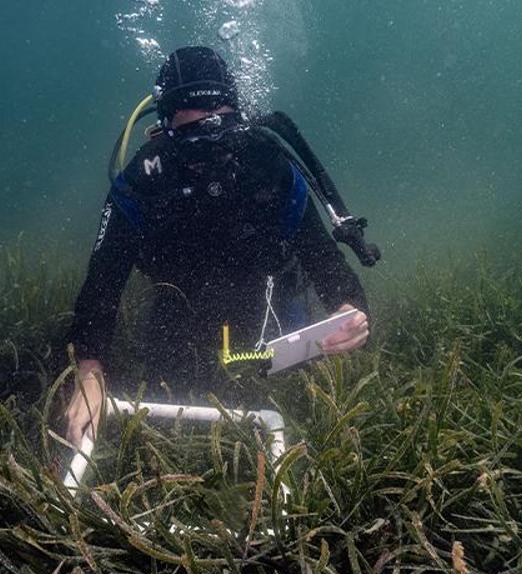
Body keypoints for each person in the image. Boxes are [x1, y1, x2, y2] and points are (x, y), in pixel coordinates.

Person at [65, 46, 370, 447]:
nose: (208, 150)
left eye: (218, 129)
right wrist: (89, 371)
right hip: (181, 297)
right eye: (191, 136)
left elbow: (322, 257)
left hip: (266, 290)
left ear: (237, 118)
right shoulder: (143, 180)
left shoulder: (269, 164)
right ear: (164, 128)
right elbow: (102, 283)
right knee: (164, 380)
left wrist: (349, 307)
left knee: (300, 381)